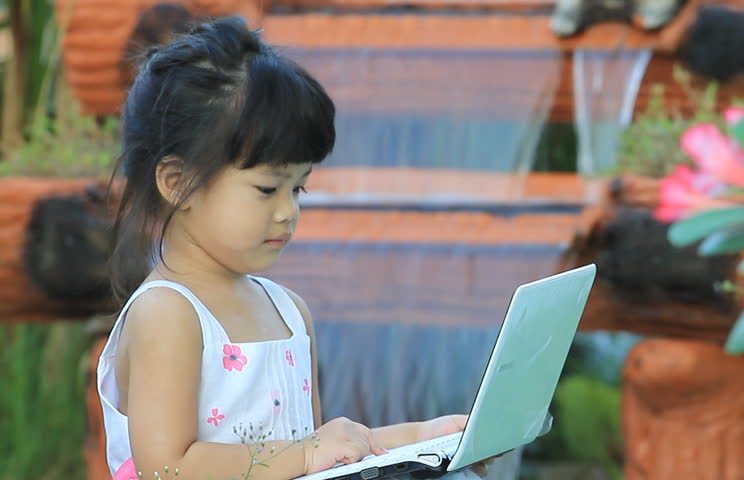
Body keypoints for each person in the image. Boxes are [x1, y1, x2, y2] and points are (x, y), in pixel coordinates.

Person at [97, 16, 490, 480]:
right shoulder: (168, 314)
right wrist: (305, 453)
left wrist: (429, 436)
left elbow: (322, 456)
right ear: (178, 184)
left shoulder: (288, 312)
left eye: (298, 189)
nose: (287, 211)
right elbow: (169, 467)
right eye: (267, 189)